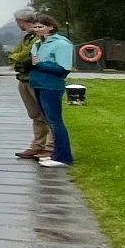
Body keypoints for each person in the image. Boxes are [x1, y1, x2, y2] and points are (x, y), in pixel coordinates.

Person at [27, 14, 75, 167]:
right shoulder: (38, 44)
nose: (37, 29)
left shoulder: (61, 44)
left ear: (50, 27)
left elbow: (63, 68)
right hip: (39, 84)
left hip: (51, 86)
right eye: (35, 27)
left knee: (55, 121)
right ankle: (55, 153)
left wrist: (39, 65)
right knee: (49, 120)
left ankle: (63, 157)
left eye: (40, 26)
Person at [9, 9, 52, 160]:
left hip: (36, 79)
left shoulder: (38, 37)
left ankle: (50, 147)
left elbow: (28, 55)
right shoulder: (27, 37)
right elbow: (14, 54)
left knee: (47, 114)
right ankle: (38, 145)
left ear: (22, 21)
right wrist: (18, 58)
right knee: (35, 115)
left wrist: (20, 59)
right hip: (23, 79)